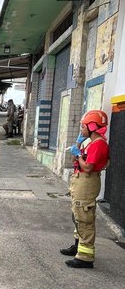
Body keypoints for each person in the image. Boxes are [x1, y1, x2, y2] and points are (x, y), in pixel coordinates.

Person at [61, 110, 109, 269]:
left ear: (93, 127)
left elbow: (88, 167)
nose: (81, 130)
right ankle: (78, 246)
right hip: (81, 183)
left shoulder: (99, 144)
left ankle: (85, 257)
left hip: (87, 183)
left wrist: (79, 155)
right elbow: (76, 159)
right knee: (78, 215)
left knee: (85, 218)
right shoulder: (91, 143)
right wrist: (78, 145)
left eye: (83, 126)